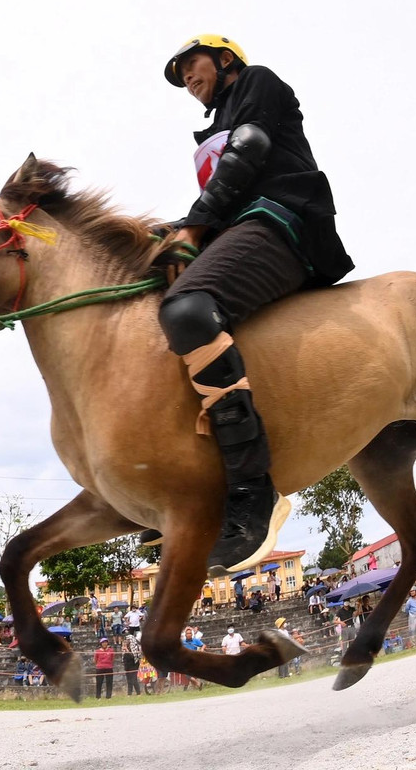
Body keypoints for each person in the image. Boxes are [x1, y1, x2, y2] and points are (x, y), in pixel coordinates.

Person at [140, 34, 354, 573]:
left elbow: (252, 150)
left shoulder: (258, 82)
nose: (188, 78)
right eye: (181, 74)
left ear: (225, 58)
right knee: (149, 294)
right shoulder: (211, 128)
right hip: (242, 226)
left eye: (193, 64)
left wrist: (193, 224)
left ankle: (255, 489)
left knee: (187, 309)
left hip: (284, 219)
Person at [122, 631, 144, 696]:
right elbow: (123, 657)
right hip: (127, 665)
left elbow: (133, 657)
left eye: (128, 640)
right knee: (129, 680)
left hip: (134, 665)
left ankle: (138, 693)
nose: (126, 641)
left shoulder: (136, 647)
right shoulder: (125, 647)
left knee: (134, 679)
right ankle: (129, 694)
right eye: (126, 640)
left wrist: (127, 650)